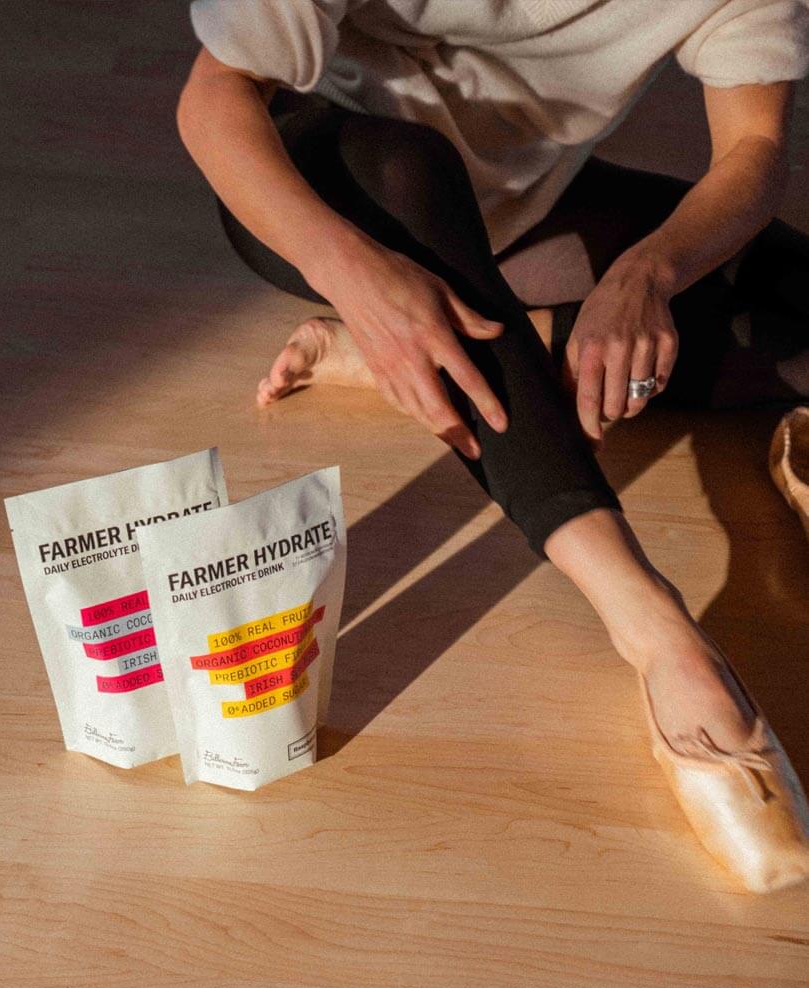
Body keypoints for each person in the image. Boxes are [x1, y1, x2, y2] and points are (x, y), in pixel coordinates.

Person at [176, 0, 809, 891]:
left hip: (519, 208)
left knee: (797, 302)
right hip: (338, 189)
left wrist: (646, 274)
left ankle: (437, 349)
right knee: (410, 162)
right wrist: (353, 277)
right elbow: (214, 96)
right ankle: (657, 633)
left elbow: (754, 148)